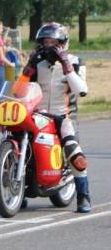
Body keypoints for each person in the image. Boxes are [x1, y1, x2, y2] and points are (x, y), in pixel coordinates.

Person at [18, 23, 91, 213]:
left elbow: (82, 90)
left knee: (74, 153)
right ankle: (18, 189)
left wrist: (66, 65)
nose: (49, 46)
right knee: (19, 142)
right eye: (45, 42)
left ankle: (83, 196)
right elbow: (18, 92)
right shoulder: (37, 63)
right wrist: (27, 68)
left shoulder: (76, 62)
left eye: (53, 42)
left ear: (63, 43)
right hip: (38, 115)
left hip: (64, 117)